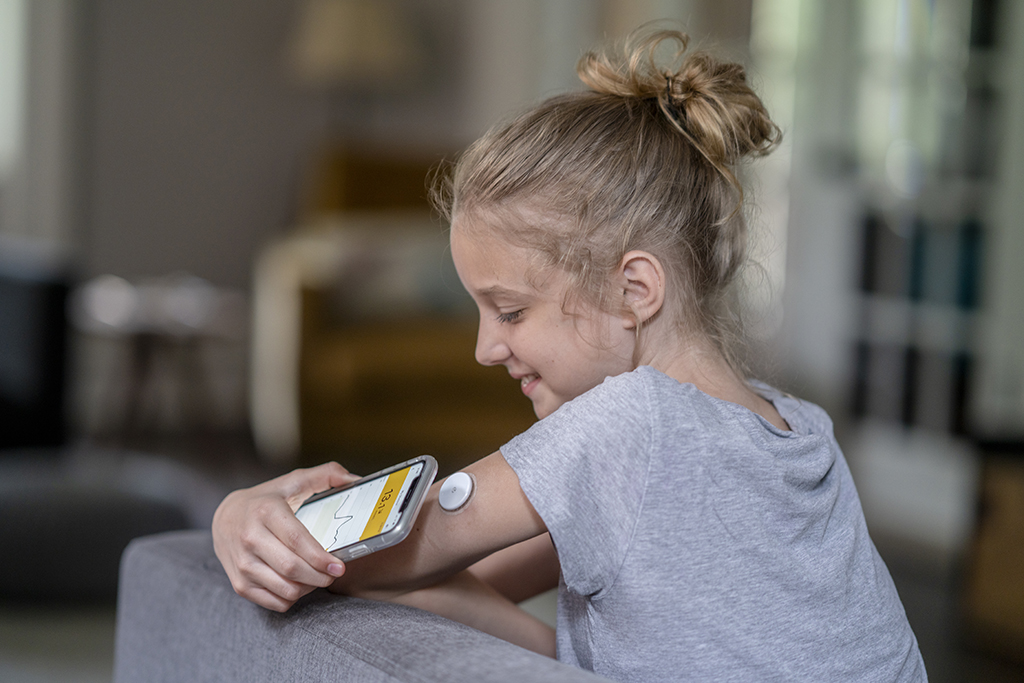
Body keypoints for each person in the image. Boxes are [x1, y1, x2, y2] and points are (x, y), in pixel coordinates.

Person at [213, 28, 927, 682]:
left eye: (511, 310)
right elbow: (467, 581)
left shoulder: (629, 422)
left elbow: (370, 562)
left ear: (634, 289)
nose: (486, 348)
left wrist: (239, 515)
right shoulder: (800, 428)